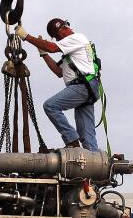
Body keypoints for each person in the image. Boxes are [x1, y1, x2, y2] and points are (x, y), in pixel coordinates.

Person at [15, 18, 100, 151]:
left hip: (82, 86)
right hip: (87, 87)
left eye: (58, 36)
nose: (59, 40)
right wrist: (44, 54)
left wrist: (26, 37)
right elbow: (58, 72)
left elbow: (52, 47)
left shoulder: (77, 37)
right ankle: (94, 162)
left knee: (50, 106)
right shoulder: (72, 49)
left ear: (64, 28)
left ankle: (71, 139)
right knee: (87, 135)